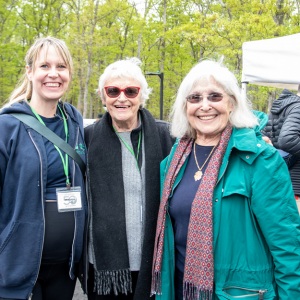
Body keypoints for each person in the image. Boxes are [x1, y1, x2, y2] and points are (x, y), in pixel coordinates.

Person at [151, 59, 300, 300]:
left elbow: (288, 246)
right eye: (195, 98)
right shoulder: (174, 161)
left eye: (215, 96)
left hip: (239, 293)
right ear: (185, 106)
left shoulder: (261, 160)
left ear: (231, 103)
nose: (205, 105)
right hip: (180, 289)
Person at [0, 37, 87, 300]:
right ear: (30, 72)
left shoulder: (74, 120)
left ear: (69, 73)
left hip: (66, 269)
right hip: (18, 269)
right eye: (44, 66)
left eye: (61, 67)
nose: (53, 74)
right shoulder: (8, 126)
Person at [83, 57, 174, 300]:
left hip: (155, 263)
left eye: (130, 91)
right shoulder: (87, 138)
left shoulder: (166, 136)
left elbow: (207, 139)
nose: (121, 98)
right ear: (104, 97)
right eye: (113, 91)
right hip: (104, 269)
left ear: (141, 96)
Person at [263, 85, 300, 212]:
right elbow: (288, 139)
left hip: (281, 181)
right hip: (295, 184)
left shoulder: (284, 106)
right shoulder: (298, 107)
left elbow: (263, 136)